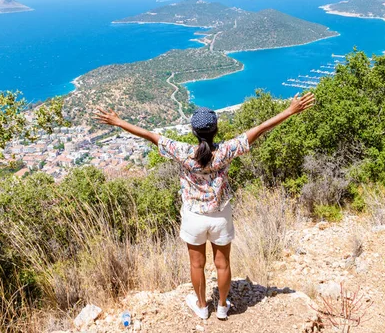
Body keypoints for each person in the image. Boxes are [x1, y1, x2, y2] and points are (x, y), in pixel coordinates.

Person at [93, 92, 315, 320]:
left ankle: (201, 306)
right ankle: (221, 307)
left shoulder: (183, 152)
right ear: (215, 130)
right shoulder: (226, 151)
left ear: (194, 132)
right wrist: (290, 110)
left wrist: (118, 121)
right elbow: (258, 130)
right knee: (223, 264)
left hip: (194, 217)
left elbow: (150, 135)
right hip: (220, 215)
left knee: (197, 265)